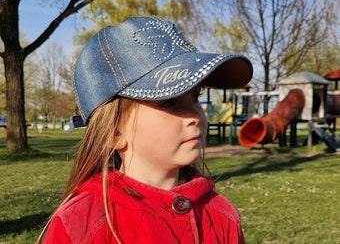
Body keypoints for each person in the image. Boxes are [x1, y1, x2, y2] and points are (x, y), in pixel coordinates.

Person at [39, 16, 253, 243]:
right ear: (114, 132)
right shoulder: (82, 225)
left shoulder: (221, 214)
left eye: (195, 97)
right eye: (169, 101)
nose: (195, 116)